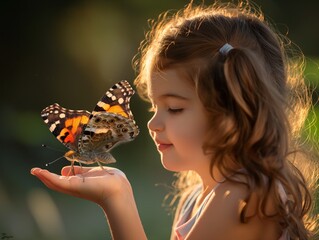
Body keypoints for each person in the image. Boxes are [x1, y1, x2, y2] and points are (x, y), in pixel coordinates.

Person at [31, 1, 318, 239]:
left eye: (175, 108)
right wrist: (116, 190)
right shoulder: (195, 199)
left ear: (232, 112)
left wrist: (115, 199)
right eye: (155, 106)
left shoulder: (242, 196)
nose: (153, 124)